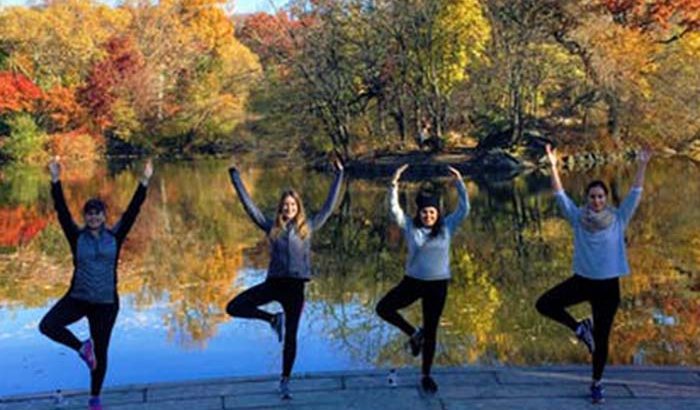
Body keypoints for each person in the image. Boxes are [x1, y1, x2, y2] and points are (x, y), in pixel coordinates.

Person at [535, 145, 651, 404]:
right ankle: (579, 328)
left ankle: (597, 383)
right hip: (583, 282)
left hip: (608, 288)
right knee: (544, 304)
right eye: (592, 197)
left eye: (600, 197)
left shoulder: (619, 218)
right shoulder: (577, 217)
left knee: (602, 339)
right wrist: (553, 166)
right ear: (586, 199)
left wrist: (642, 164)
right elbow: (559, 194)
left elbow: (636, 192)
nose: (596, 201)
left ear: (606, 199)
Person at [39, 157, 153, 410]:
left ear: (103, 216)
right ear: (86, 217)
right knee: (47, 325)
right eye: (89, 214)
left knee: (101, 354)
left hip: (105, 304)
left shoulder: (115, 236)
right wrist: (55, 180)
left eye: (97, 214)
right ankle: (81, 347)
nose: (93, 218)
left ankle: (95, 399)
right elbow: (61, 211)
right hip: (78, 298)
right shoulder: (76, 237)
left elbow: (133, 211)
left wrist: (144, 182)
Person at [225, 159, 344, 400]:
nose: (289, 208)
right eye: (285, 205)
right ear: (281, 208)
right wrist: (235, 175)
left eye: (292, 204)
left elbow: (328, 207)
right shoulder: (272, 228)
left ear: (298, 207)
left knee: (291, 337)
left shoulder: (308, 228)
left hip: (295, 289)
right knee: (234, 307)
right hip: (274, 284)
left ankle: (285, 381)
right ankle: (272, 318)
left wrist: (339, 176)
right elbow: (250, 207)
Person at [376, 164, 470, 395]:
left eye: (432, 212)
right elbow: (394, 209)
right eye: (424, 212)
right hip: (413, 281)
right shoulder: (410, 226)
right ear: (418, 213)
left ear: (438, 213)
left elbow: (464, 209)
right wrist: (394, 183)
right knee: (384, 308)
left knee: (432, 329)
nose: (428, 215)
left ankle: (426, 375)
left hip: (437, 285)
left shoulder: (447, 226)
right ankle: (413, 334)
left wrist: (459, 183)